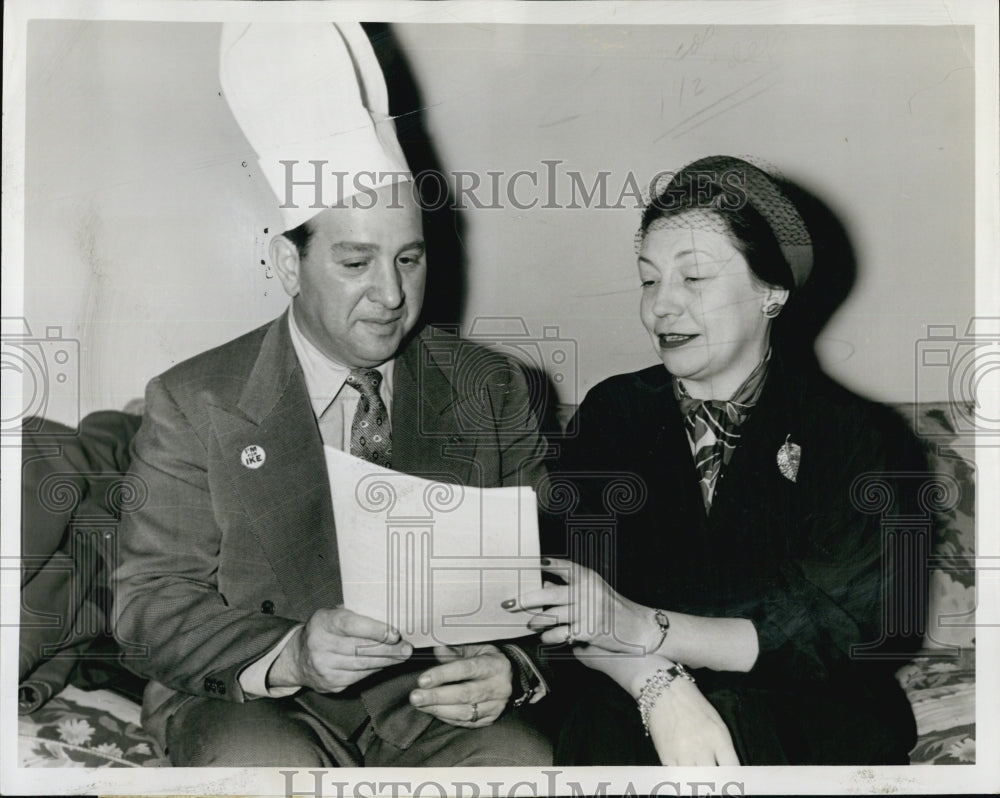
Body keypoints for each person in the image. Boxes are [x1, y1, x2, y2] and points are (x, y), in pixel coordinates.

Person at [113, 23, 550, 767]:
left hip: (425, 706)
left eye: (409, 259)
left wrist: (512, 665)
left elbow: (546, 570)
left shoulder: (491, 387)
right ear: (289, 264)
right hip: (251, 700)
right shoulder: (195, 401)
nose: (391, 295)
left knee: (524, 766)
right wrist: (291, 653)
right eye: (356, 262)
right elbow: (145, 606)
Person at [513, 156, 928, 765]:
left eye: (694, 279)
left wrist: (643, 627)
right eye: (649, 280)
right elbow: (566, 593)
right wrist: (657, 684)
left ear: (772, 292)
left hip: (812, 708)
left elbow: (848, 632)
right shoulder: (614, 413)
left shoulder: (855, 435)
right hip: (629, 696)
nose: (661, 307)